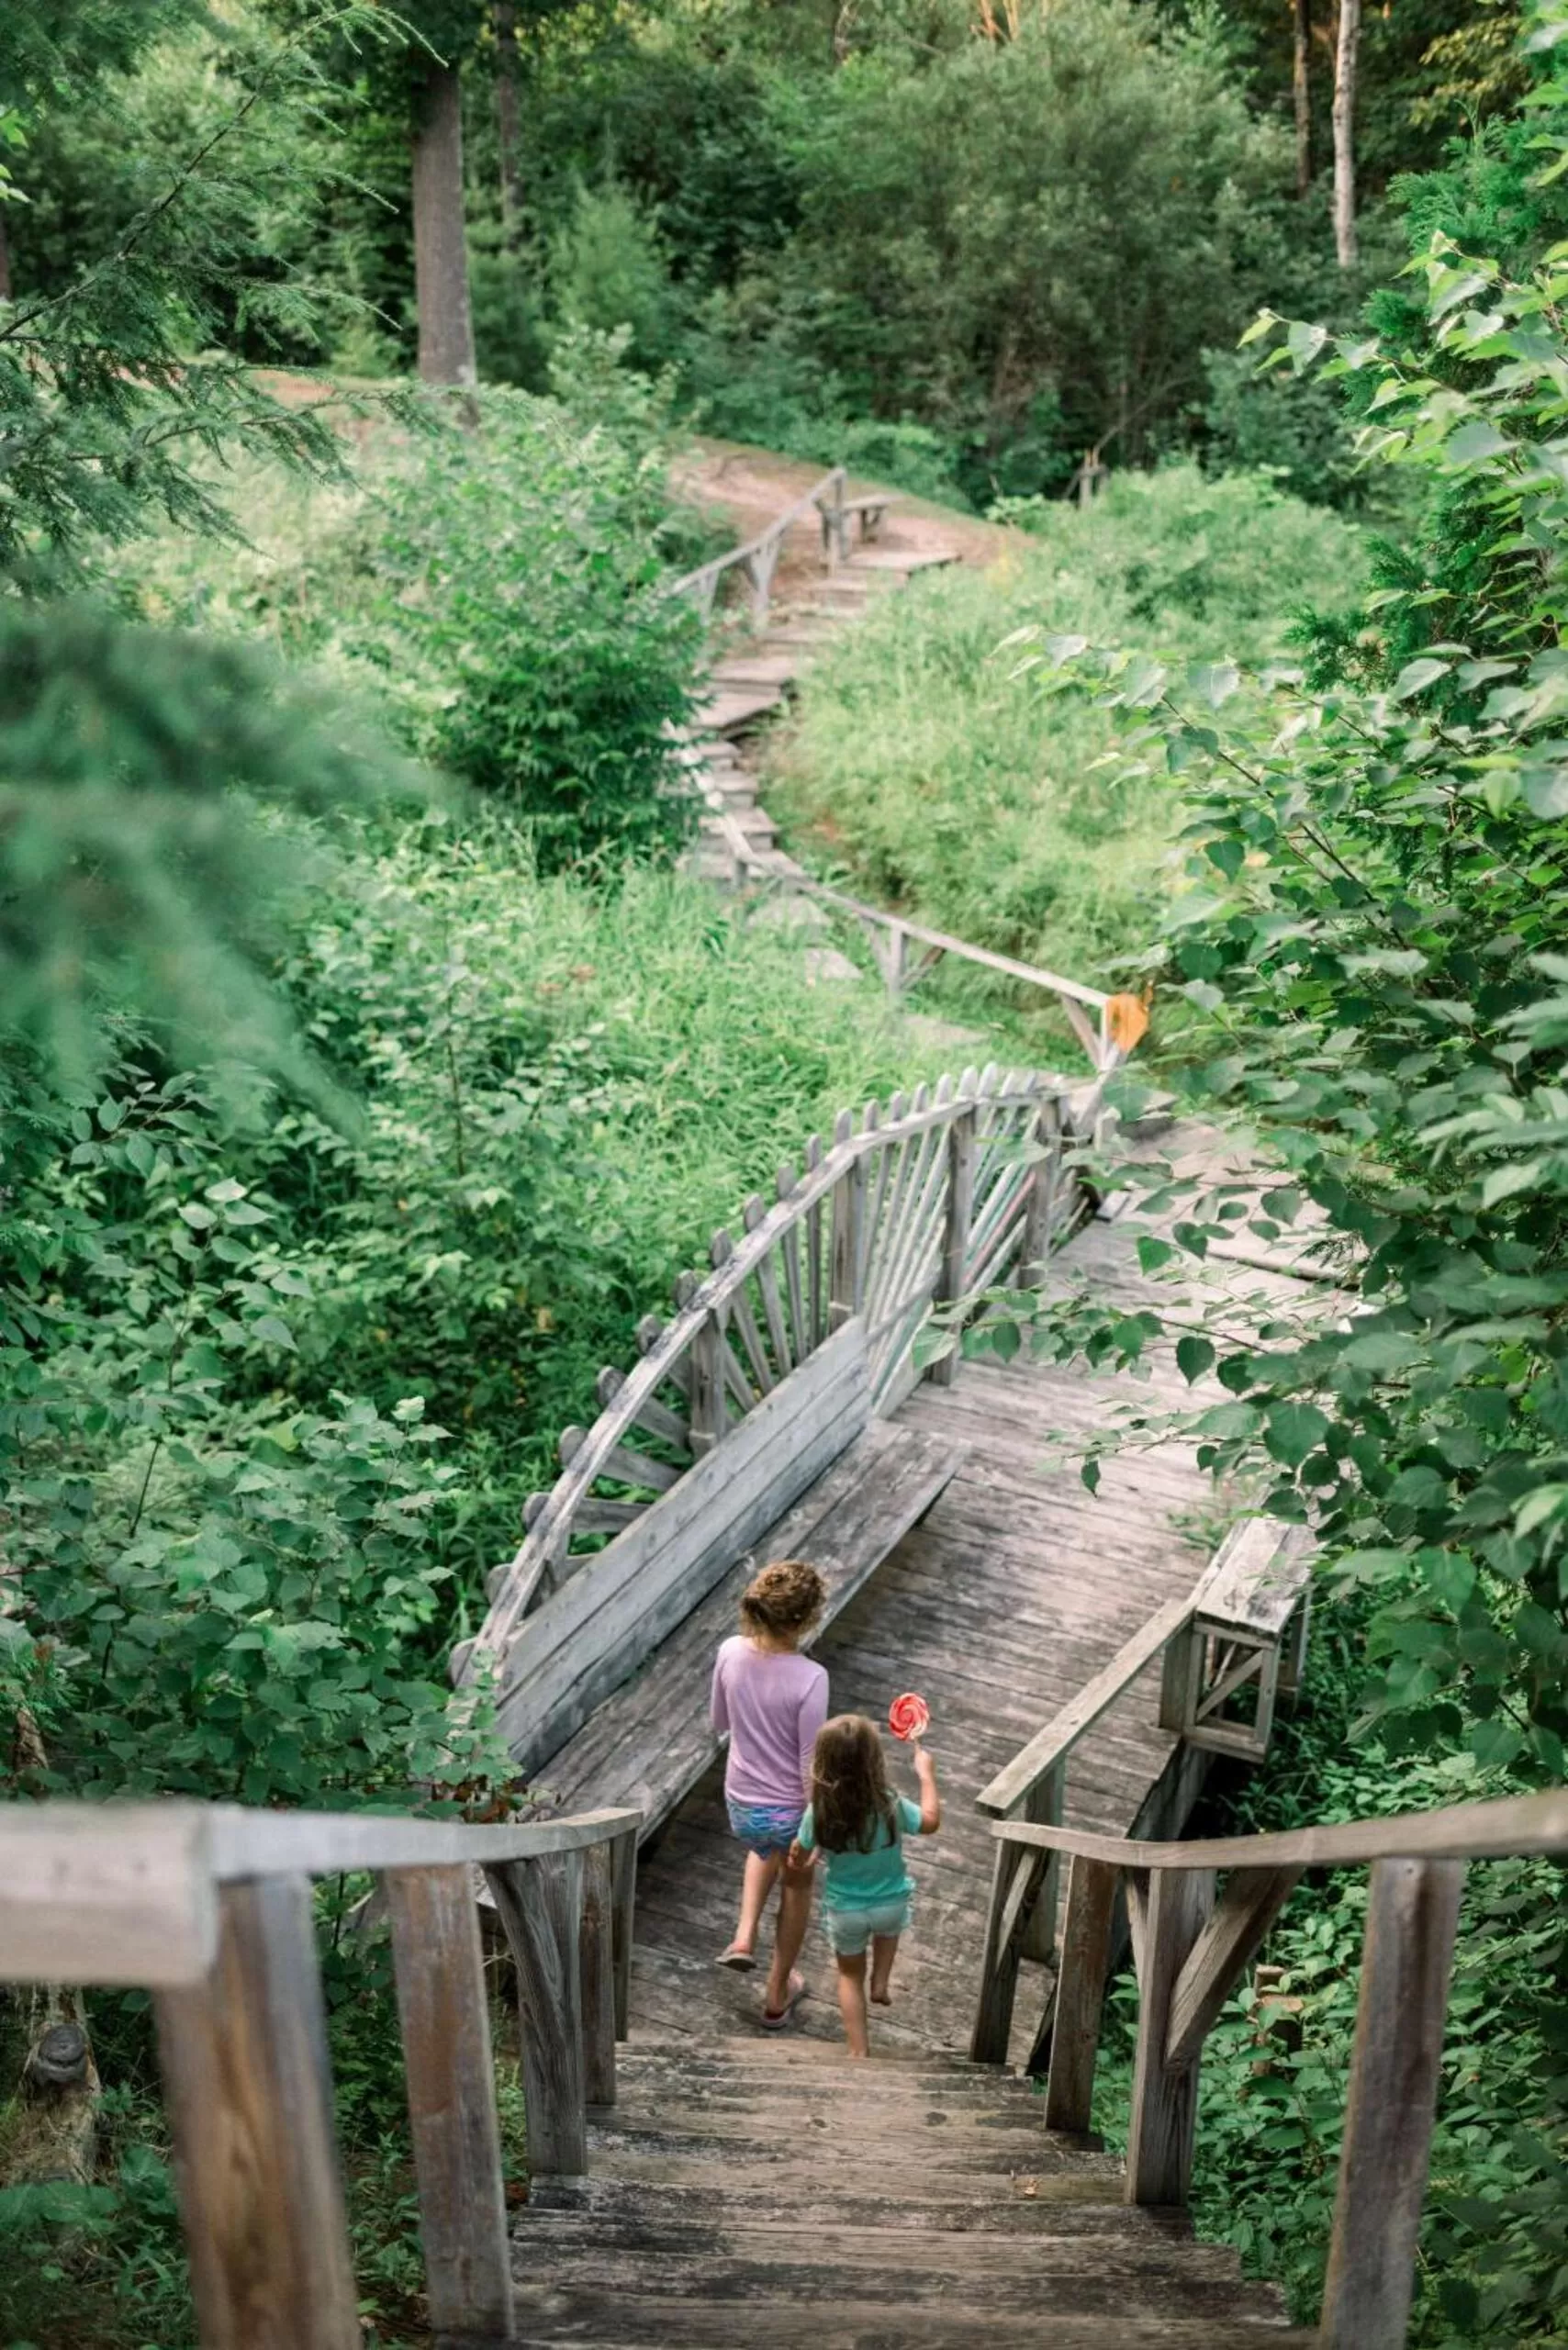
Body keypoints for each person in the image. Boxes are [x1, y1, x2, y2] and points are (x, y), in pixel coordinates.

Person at [710, 1557, 829, 2028]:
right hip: (789, 1813)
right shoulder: (811, 1678)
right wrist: (814, 1825)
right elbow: (808, 1764)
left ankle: (743, 1937)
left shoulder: (729, 1652)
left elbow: (720, 1721)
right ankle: (778, 1991)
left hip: (742, 1803)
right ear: (804, 1620)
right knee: (797, 1884)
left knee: (762, 1849)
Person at [794, 1712, 941, 2059]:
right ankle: (881, 1981)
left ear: (822, 1763)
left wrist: (808, 1856)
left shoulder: (819, 1811)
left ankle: (859, 2052)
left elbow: (799, 1853)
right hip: (890, 1904)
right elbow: (931, 1822)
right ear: (875, 1760)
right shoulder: (888, 1802)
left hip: (846, 1911)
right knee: (888, 1933)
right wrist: (927, 1776)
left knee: (848, 1976)